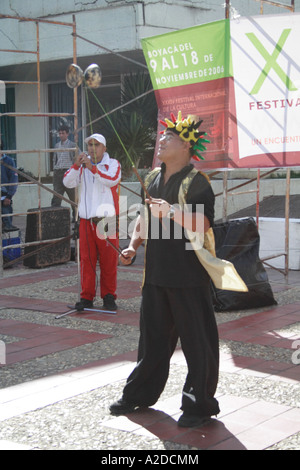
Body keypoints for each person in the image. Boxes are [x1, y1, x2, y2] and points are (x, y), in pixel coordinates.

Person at [110, 111, 221, 428]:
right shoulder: (151, 178)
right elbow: (144, 219)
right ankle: (138, 395)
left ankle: (198, 404)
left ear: (186, 146)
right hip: (156, 275)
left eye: (169, 137)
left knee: (197, 343)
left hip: (189, 276)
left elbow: (202, 224)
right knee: (152, 342)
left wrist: (172, 211)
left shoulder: (198, 182)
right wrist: (133, 244)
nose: (161, 140)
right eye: (161, 136)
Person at [63, 133, 121, 312]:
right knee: (86, 260)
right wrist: (76, 166)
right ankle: (86, 296)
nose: (92, 148)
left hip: (107, 219)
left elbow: (111, 180)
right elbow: (67, 181)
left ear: (104, 148)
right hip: (86, 221)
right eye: (90, 145)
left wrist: (93, 168)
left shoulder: (113, 164)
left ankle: (109, 296)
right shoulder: (81, 166)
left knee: (109, 261)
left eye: (96, 145)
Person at [51, 125, 77, 221]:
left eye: (63, 133)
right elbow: (55, 159)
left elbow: (78, 157)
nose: (61, 135)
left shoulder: (72, 145)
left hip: (68, 172)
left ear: (67, 134)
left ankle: (76, 218)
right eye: (60, 133)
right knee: (57, 196)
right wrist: (54, 169)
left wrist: (74, 170)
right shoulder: (57, 145)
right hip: (58, 172)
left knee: (73, 197)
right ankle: (54, 218)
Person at [0, 140, 19, 232]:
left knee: (7, 224)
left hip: (4, 195)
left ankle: (7, 244)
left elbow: (14, 179)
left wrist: (9, 196)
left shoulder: (9, 161)